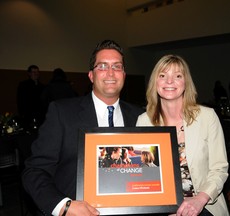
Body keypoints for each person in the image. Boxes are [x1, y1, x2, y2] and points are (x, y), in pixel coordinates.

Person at [22, 40, 145, 216]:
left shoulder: (140, 116)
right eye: (102, 66)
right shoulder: (62, 112)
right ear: (91, 75)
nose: (111, 73)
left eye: (117, 67)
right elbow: (34, 171)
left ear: (124, 75)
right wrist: (64, 207)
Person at [136, 54, 229, 216]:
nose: (169, 81)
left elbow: (219, 169)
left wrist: (199, 200)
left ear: (186, 83)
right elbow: (144, 174)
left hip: (203, 205)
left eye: (177, 76)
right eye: (163, 76)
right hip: (161, 207)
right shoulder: (144, 121)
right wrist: (166, 206)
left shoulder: (207, 117)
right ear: (155, 82)